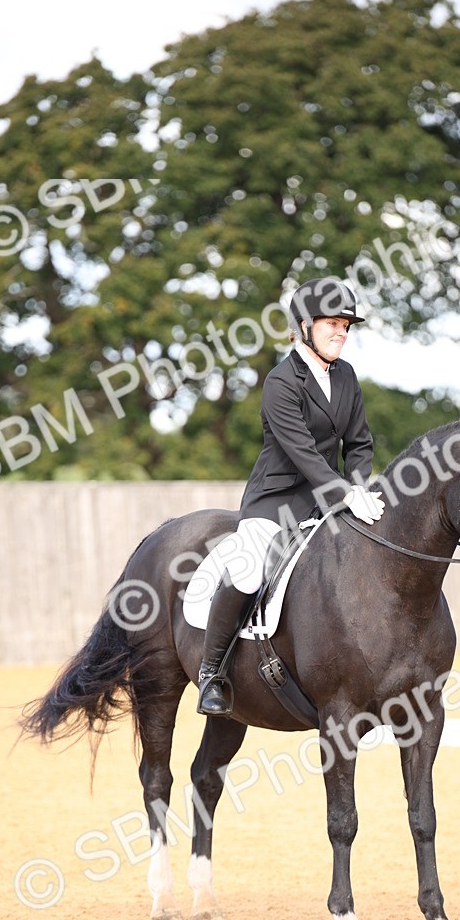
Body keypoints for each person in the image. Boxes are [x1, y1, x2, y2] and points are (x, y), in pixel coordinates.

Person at [197, 276, 385, 716]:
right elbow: (302, 454)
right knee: (246, 573)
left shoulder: (346, 376)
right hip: (275, 501)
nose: (341, 331)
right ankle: (212, 672)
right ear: (304, 326)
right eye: (332, 324)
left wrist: (358, 483)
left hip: (329, 500)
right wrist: (344, 492)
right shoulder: (281, 382)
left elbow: (359, 443)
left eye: (346, 325)